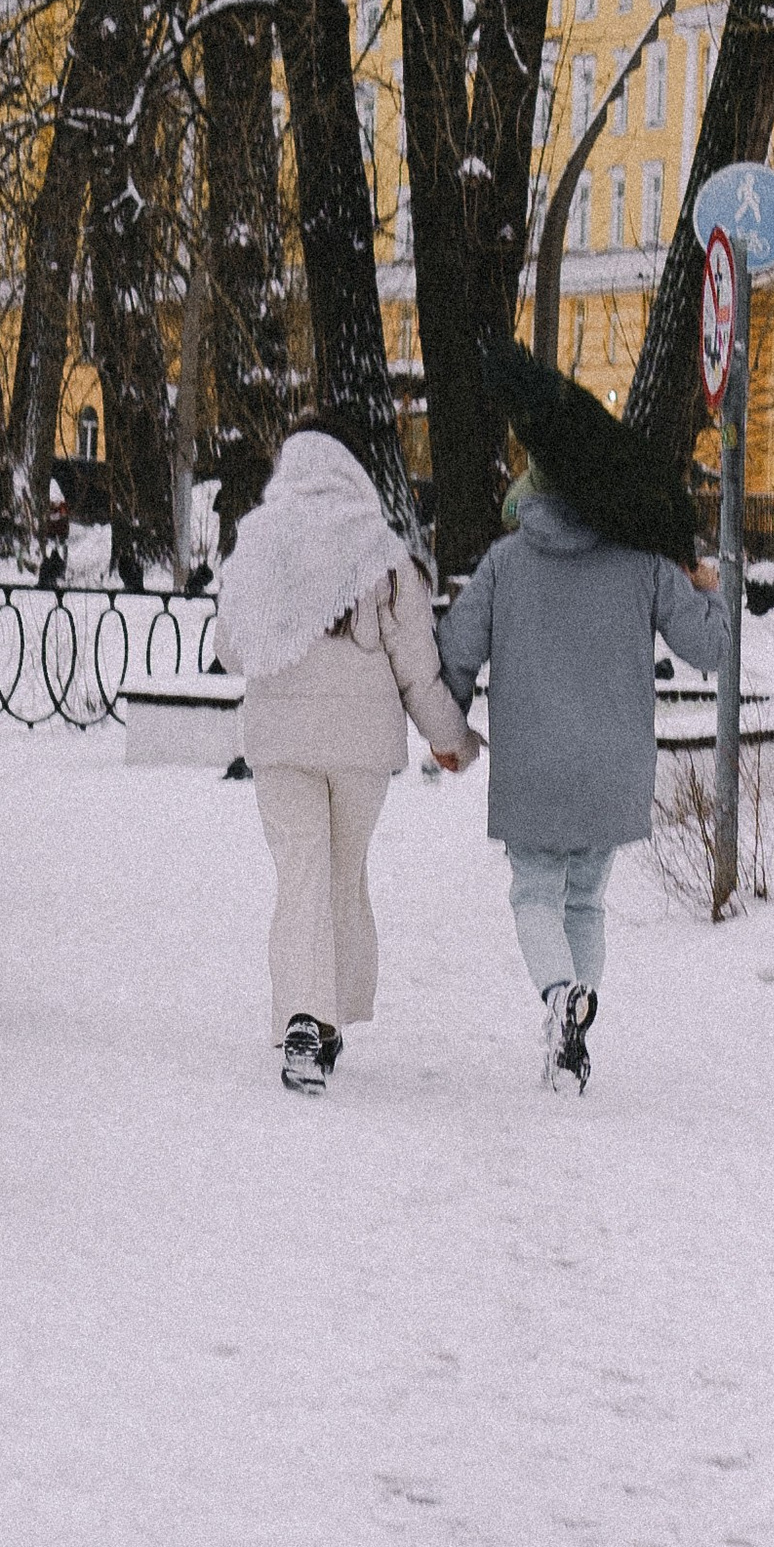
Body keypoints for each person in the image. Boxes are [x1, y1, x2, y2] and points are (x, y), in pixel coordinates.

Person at [436, 438, 725, 1092]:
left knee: (534, 894)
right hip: (612, 765)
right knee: (586, 902)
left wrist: (447, 728)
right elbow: (708, 649)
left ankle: (560, 995)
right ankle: (574, 1038)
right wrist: (709, 588)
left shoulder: (506, 561)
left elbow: (456, 647)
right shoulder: (646, 564)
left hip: (532, 763)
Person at [213, 421, 475, 1091]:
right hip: (362, 749)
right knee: (342, 873)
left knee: (301, 874)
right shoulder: (381, 550)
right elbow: (416, 666)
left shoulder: (259, 542)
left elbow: (231, 650)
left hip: (281, 746)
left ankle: (305, 1019)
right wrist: (449, 738)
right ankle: (326, 1021)